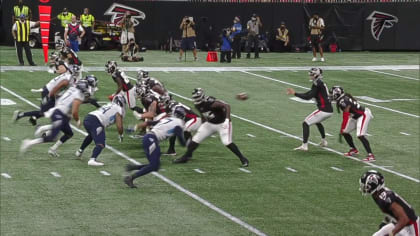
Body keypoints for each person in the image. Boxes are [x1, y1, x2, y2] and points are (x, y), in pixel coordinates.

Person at [173, 88, 249, 167]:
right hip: (210, 123)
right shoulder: (197, 104)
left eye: (197, 97)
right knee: (196, 139)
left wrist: (227, 120)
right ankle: (187, 156)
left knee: (227, 142)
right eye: (195, 97)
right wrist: (203, 123)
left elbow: (227, 106)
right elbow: (203, 114)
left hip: (222, 124)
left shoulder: (210, 102)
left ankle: (243, 158)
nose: (196, 99)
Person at [19, 79, 96, 155]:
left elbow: (66, 98)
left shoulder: (72, 88)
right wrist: (78, 121)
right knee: (52, 137)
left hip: (60, 111)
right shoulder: (79, 95)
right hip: (59, 114)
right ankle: (29, 143)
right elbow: (75, 111)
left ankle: (52, 148)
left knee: (69, 133)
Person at [124, 107, 187, 188]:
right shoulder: (179, 124)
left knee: (156, 166)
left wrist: (135, 127)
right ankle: (131, 178)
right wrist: (188, 143)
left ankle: (133, 167)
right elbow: (182, 142)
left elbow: (149, 123)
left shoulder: (168, 119)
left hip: (149, 138)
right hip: (151, 139)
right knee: (154, 165)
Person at [13, 58, 74, 126]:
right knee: (46, 111)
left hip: (48, 90)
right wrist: (50, 96)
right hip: (48, 92)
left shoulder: (67, 75)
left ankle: (33, 118)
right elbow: (56, 87)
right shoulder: (67, 78)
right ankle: (22, 115)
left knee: (47, 110)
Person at [359, 170, 419, 236]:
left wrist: (391, 233)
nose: (363, 187)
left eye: (365, 185)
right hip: (398, 223)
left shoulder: (385, 198)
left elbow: (404, 219)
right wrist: (385, 221)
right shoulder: (378, 195)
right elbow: (391, 212)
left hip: (410, 226)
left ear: (373, 185)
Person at [286, 68, 333, 151]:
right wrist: (296, 93)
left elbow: (308, 97)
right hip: (328, 110)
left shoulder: (317, 83)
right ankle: (324, 141)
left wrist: (295, 93)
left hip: (324, 110)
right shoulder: (319, 82)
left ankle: (304, 145)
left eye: (312, 74)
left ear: (316, 75)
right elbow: (309, 93)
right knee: (317, 122)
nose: (310, 76)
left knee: (305, 123)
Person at [75, 94, 125, 166]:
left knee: (91, 135)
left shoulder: (109, 104)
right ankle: (92, 160)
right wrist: (121, 135)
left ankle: (79, 151)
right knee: (101, 143)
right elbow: (119, 126)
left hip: (88, 118)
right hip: (96, 121)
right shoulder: (118, 109)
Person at [331, 86, 375, 162]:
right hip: (355, 116)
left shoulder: (343, 101)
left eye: (332, 93)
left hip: (363, 115)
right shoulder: (343, 98)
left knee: (360, 135)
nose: (331, 95)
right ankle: (353, 149)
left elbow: (345, 116)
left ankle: (370, 155)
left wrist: (342, 127)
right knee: (345, 132)